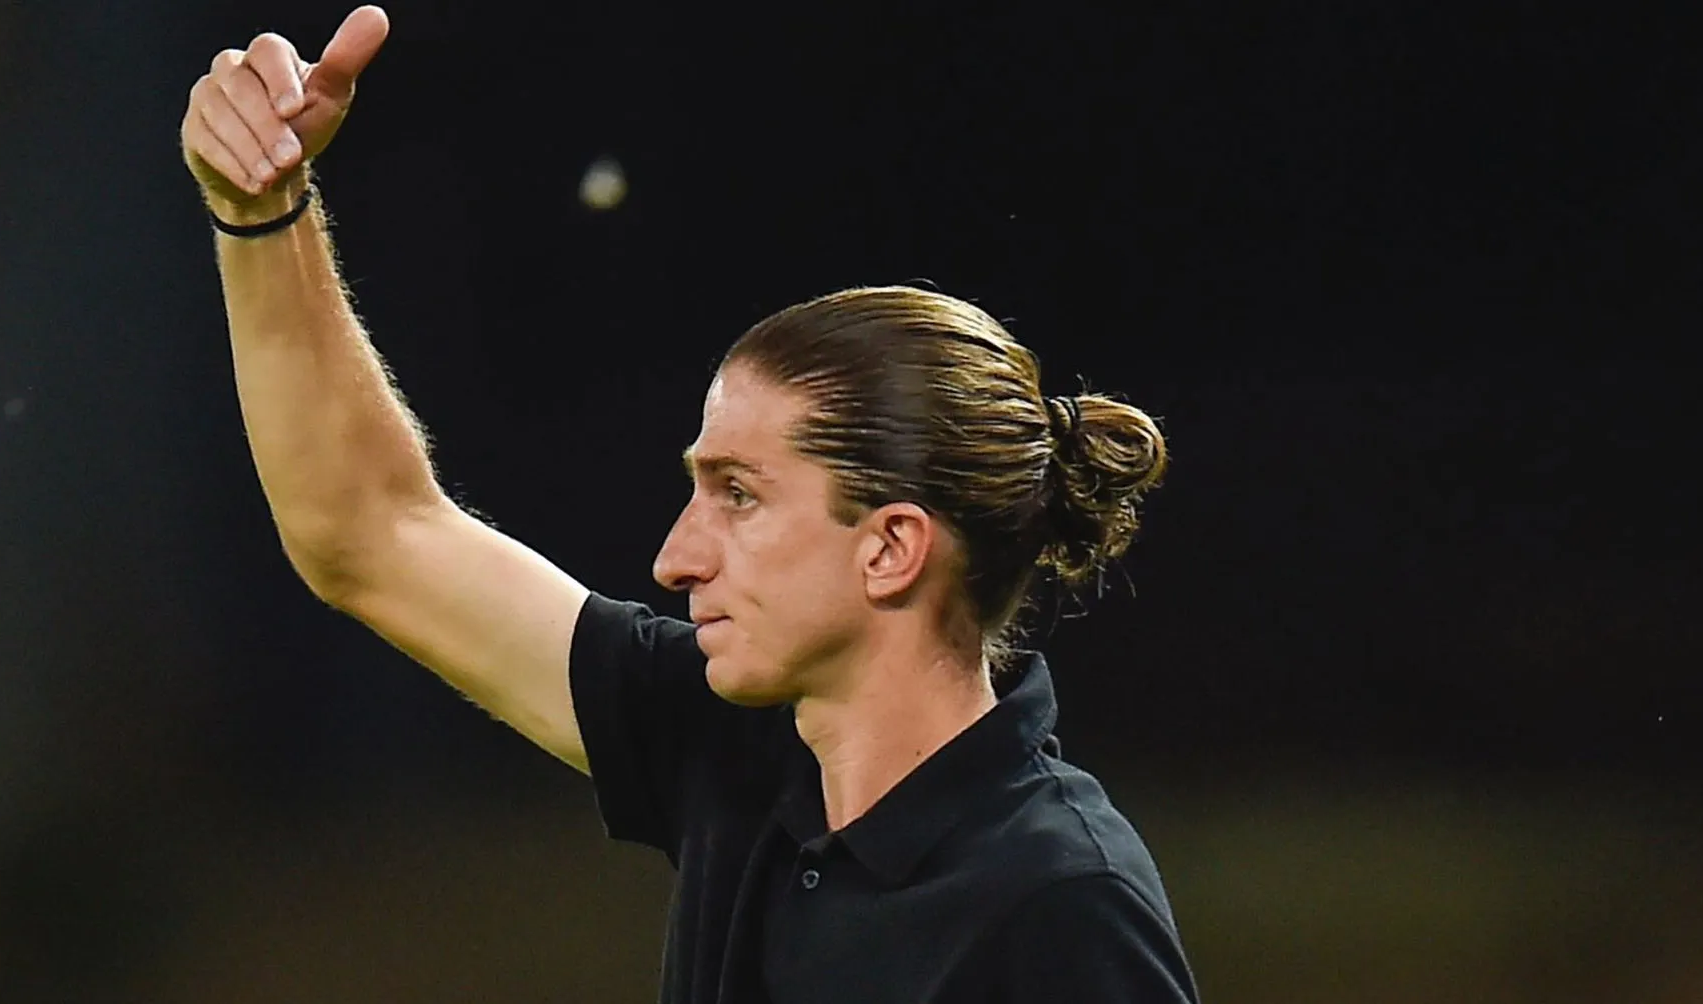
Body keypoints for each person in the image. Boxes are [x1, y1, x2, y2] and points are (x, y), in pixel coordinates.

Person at [180, 7, 1201, 1002]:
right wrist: (262, 212)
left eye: (740, 495)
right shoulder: (739, 747)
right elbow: (368, 534)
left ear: (891, 547)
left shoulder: (1059, 904)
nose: (675, 558)